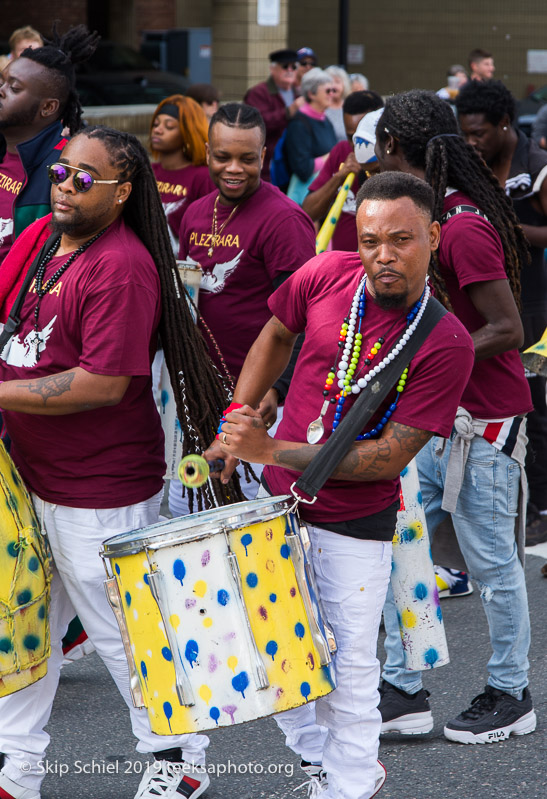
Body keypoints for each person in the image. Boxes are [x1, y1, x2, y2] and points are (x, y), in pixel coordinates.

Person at [204, 170, 475, 799]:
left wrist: (269, 447)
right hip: (275, 504)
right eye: (371, 239)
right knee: (274, 652)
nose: (383, 255)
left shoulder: (445, 340)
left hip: (354, 523)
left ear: (434, 236)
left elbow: (385, 457)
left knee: (349, 664)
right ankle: (318, 760)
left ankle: (350, 782)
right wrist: (238, 418)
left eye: (402, 240)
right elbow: (275, 334)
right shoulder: (326, 273)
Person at [0, 124, 243, 799]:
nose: (65, 186)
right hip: (31, 476)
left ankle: (182, 757)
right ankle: (15, 767)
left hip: (98, 488)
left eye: (85, 177)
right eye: (59, 172)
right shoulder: (43, 241)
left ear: (122, 189)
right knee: (22, 628)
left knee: (124, 634)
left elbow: (104, 382)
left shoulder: (123, 265)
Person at [374, 89, 536, 745]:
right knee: (405, 556)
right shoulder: (423, 218)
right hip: (433, 419)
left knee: (494, 565)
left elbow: (506, 327)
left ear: (392, 149)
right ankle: (402, 690)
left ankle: (510, 691)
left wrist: (421, 359)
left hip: (486, 424)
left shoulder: (462, 226)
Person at [168, 102, 316, 516]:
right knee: (189, 518)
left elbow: (305, 322)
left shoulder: (285, 221)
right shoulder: (195, 213)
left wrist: (277, 389)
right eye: (223, 156)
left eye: (247, 158)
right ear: (207, 150)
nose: (234, 168)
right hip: (198, 400)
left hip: (257, 405)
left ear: (264, 156)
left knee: (250, 528)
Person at [456, 78, 547, 546]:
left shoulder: (538, 167)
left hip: (534, 310)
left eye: (480, 133)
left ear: (505, 123)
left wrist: (506, 226)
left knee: (537, 405)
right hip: (496, 302)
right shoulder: (474, 170)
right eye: (465, 133)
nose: (472, 142)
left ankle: (537, 509)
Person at [0, 24, 98, 269]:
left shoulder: (66, 171)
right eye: (1, 82)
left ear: (48, 108)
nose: (1, 92)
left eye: (13, 88)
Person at [303, 90, 384, 250]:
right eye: (351, 137)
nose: (356, 145)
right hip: (344, 264)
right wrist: (340, 177)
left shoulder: (395, 157)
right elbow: (308, 213)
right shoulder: (342, 151)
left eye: (364, 138)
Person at [150, 94, 214, 253]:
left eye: (169, 126)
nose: (158, 130)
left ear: (188, 133)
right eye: (156, 124)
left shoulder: (203, 176)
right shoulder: (148, 171)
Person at [244, 49, 304, 180]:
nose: (289, 70)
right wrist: (288, 111)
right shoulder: (258, 93)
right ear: (273, 69)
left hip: (293, 163)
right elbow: (257, 124)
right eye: (285, 66)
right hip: (269, 164)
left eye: (293, 67)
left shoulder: (298, 93)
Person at [284, 68, 337, 204]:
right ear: (311, 94)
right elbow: (303, 168)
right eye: (327, 91)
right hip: (307, 200)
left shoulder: (325, 120)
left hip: (324, 195)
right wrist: (329, 158)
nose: (332, 94)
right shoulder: (299, 124)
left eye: (333, 90)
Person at [324, 66, 352, 142]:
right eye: (330, 82)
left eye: (337, 82)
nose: (333, 86)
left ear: (344, 85)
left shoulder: (350, 106)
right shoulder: (321, 107)